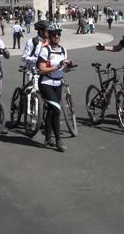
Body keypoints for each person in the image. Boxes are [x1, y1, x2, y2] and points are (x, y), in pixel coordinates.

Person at [37, 23, 73, 152]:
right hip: (46, 83)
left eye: (58, 34)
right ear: (50, 36)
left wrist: (68, 67)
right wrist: (58, 66)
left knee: (52, 111)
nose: (57, 36)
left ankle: (47, 138)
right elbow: (41, 69)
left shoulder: (63, 50)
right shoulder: (45, 50)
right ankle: (58, 140)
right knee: (57, 111)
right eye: (54, 34)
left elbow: (64, 70)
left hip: (58, 83)